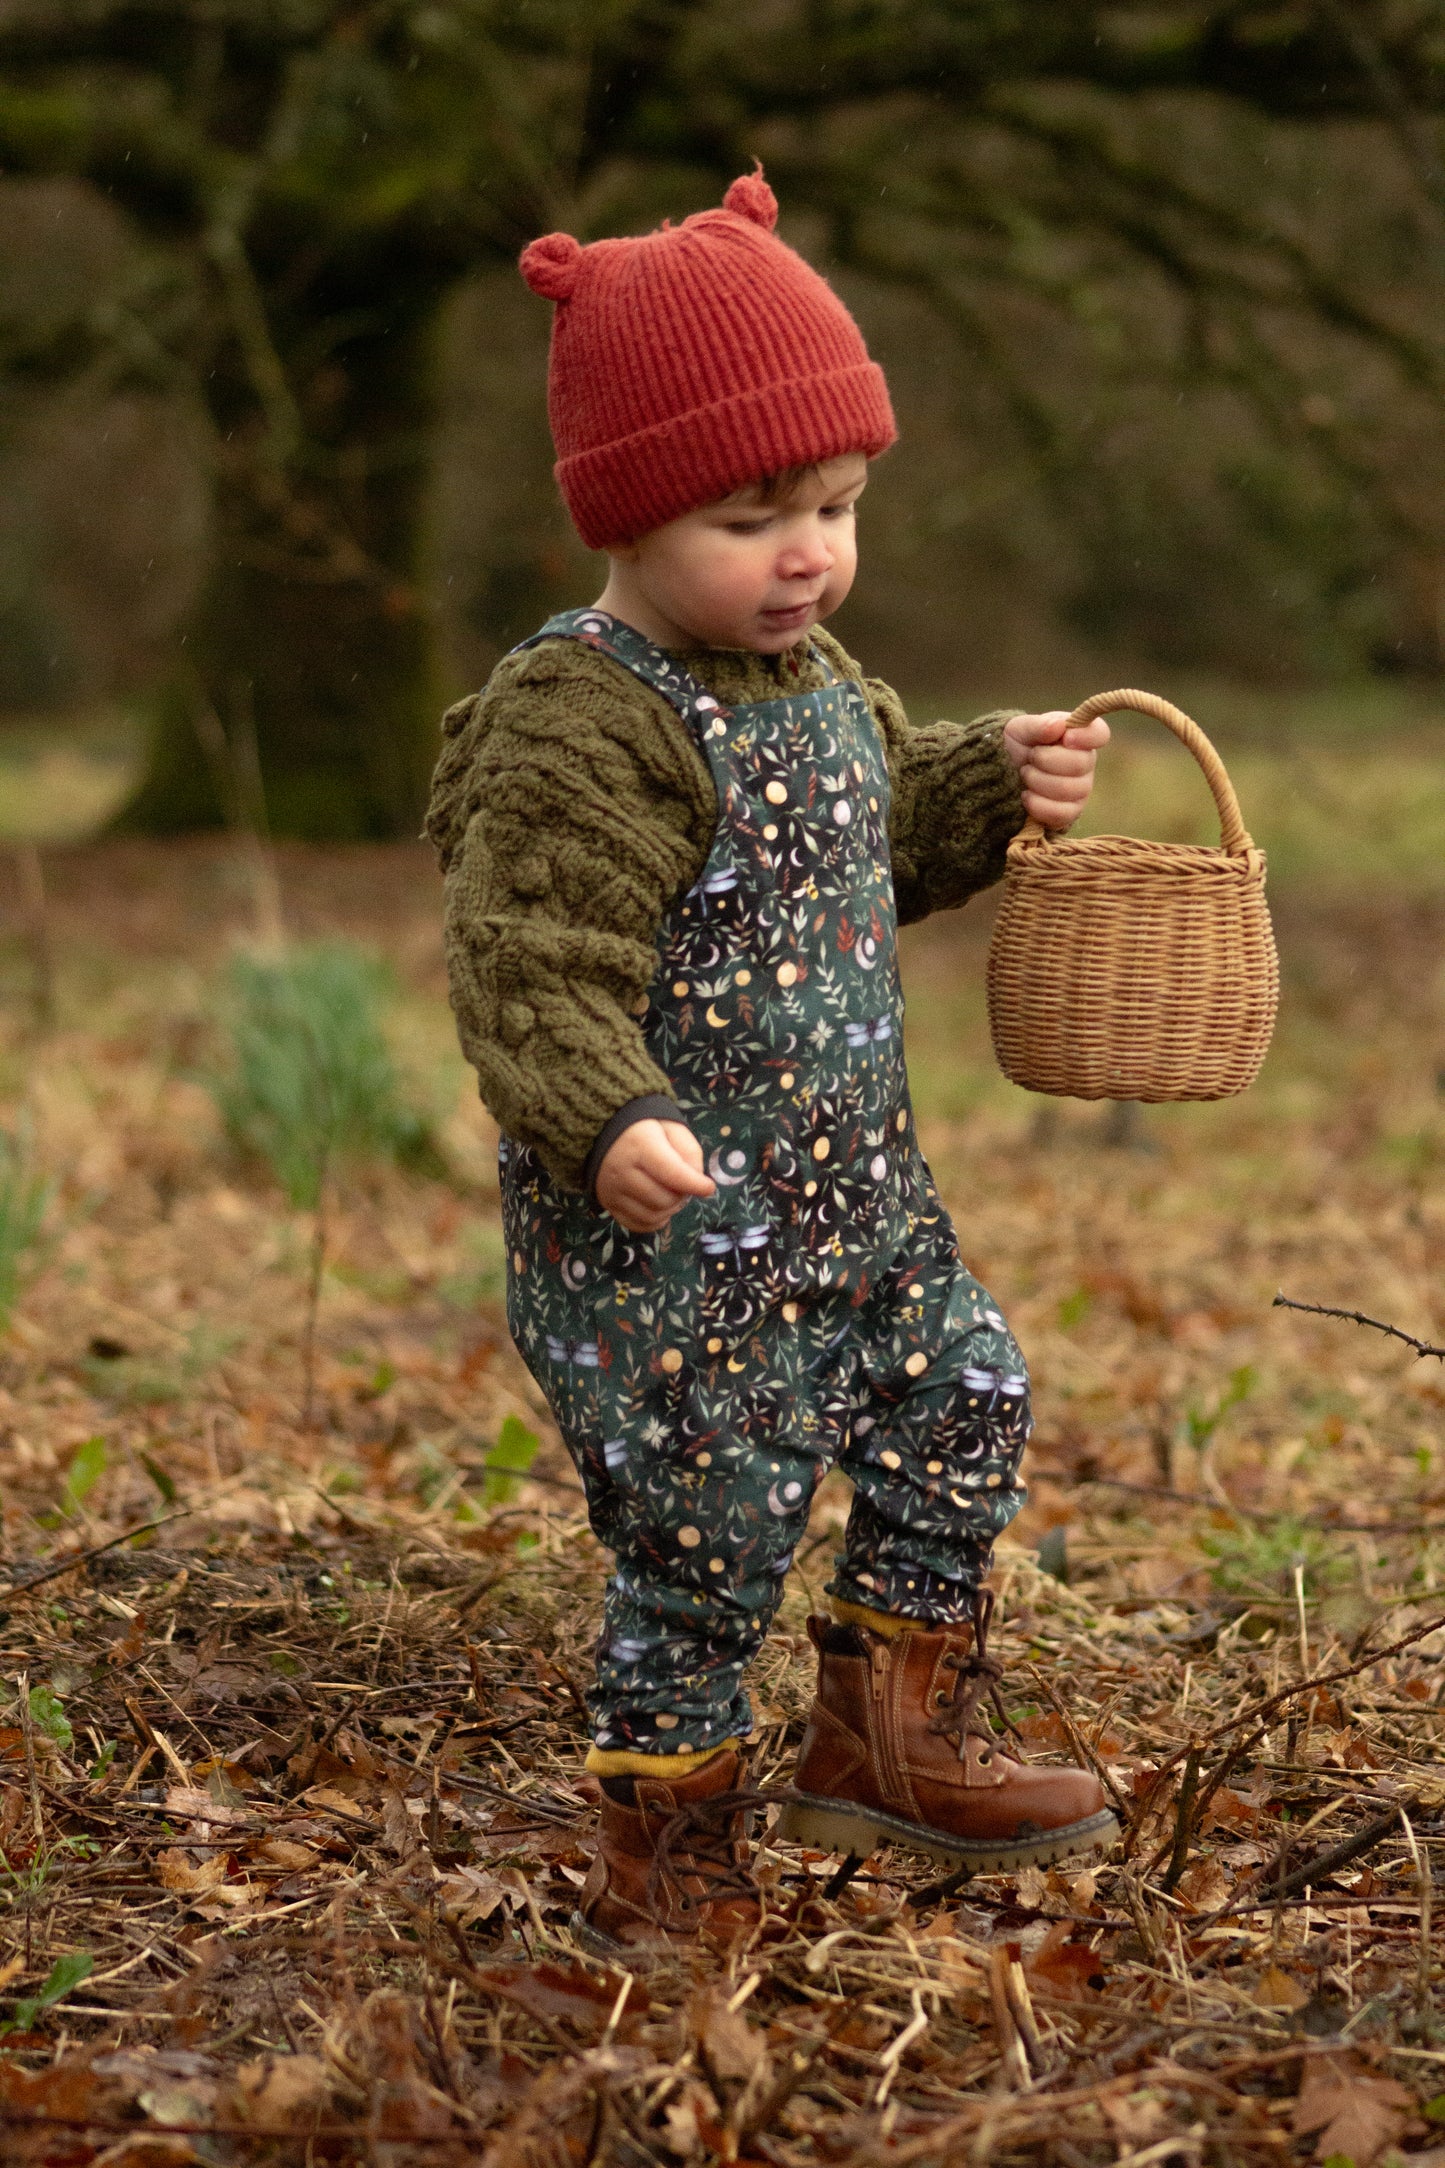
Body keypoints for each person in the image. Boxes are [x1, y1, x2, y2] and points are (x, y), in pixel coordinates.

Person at [426, 168, 1117, 1961]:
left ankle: (884, 1729)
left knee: (965, 1396)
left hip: (858, 1200)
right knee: (711, 1528)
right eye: (753, 515)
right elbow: (531, 958)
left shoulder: (818, 680)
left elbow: (876, 837)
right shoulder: (579, 718)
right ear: (636, 512)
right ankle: (663, 1842)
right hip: (669, 1232)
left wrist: (991, 782)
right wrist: (609, 1117)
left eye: (835, 503)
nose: (807, 550)